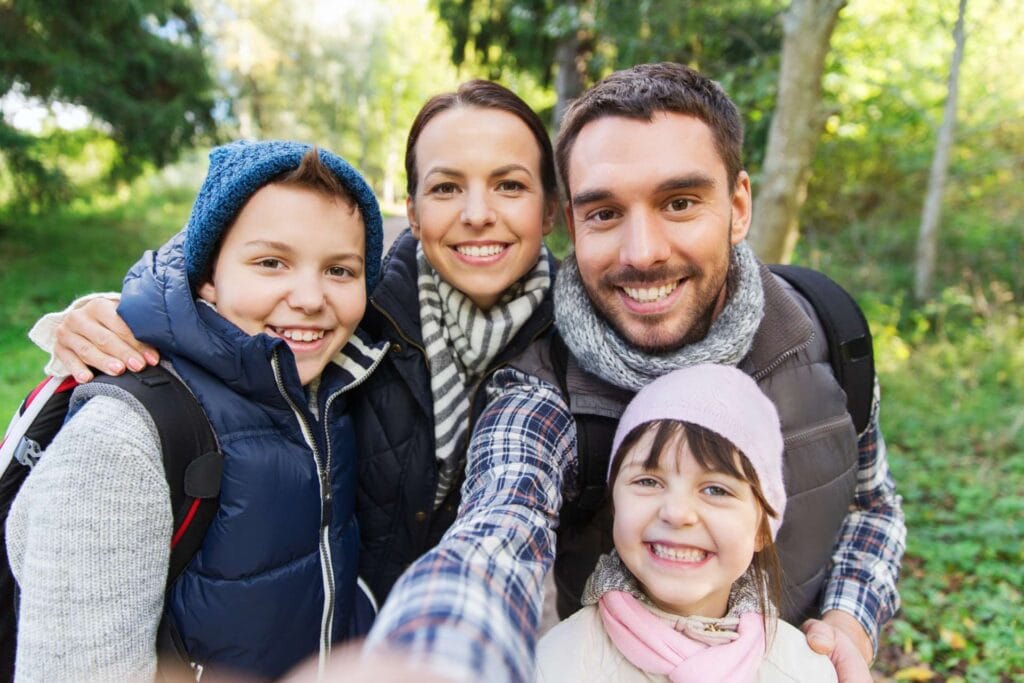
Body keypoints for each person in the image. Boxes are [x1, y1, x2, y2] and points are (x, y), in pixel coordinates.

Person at [364, 62, 904, 683]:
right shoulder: (541, 387)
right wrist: (435, 657)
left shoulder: (827, 334)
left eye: (679, 203)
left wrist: (850, 619)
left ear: (737, 204)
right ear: (572, 225)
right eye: (604, 213)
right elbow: (496, 530)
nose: (642, 252)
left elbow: (871, 505)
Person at [24, 80, 559, 609]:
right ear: (413, 211)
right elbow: (231, 278)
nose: (477, 214)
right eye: (445, 187)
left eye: (509, 185)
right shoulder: (364, 313)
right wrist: (105, 314)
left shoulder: (585, 332)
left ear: (551, 209)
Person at [6, 140, 389, 680]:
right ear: (208, 275)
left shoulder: (330, 392)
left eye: (340, 271)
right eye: (271, 262)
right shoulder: (122, 440)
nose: (309, 297)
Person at [535, 364, 837, 682]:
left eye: (716, 490)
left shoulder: (804, 670)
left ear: (762, 528)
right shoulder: (555, 665)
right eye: (648, 481)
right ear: (615, 503)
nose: (677, 513)